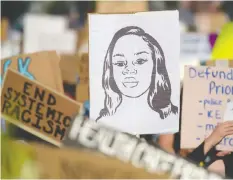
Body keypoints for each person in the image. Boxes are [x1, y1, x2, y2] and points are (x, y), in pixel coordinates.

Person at [96, 26, 178, 125]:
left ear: (156, 63)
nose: (129, 70)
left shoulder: (171, 119)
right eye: (120, 63)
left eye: (140, 61)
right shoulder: (102, 122)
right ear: (110, 69)